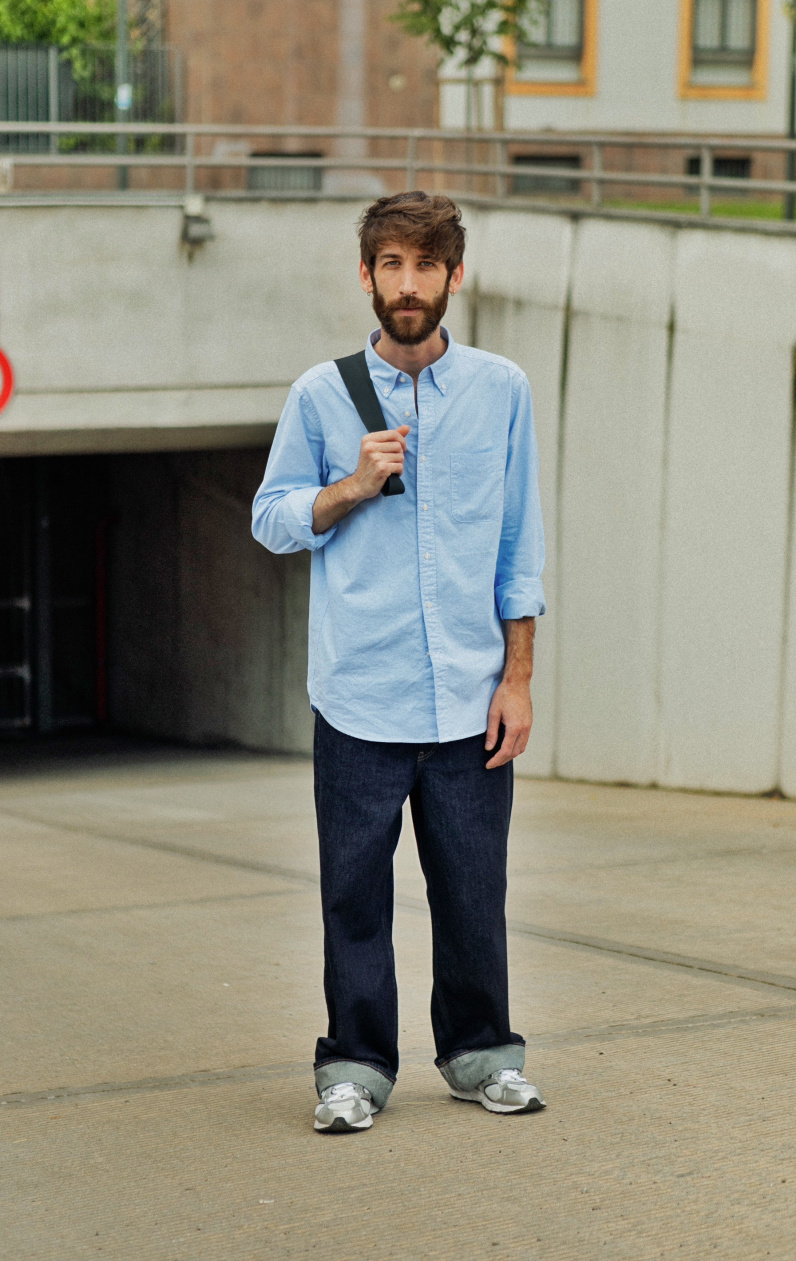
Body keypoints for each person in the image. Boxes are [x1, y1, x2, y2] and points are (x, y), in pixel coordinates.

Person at [251, 191, 547, 1133]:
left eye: (425, 266)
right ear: (368, 276)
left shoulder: (503, 390)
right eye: (391, 265)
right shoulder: (319, 394)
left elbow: (518, 543)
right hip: (358, 699)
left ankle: (481, 1054)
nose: (407, 284)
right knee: (353, 899)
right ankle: (355, 1070)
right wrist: (350, 486)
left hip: (469, 700)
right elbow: (271, 518)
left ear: (456, 276)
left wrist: (518, 678)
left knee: (473, 892)